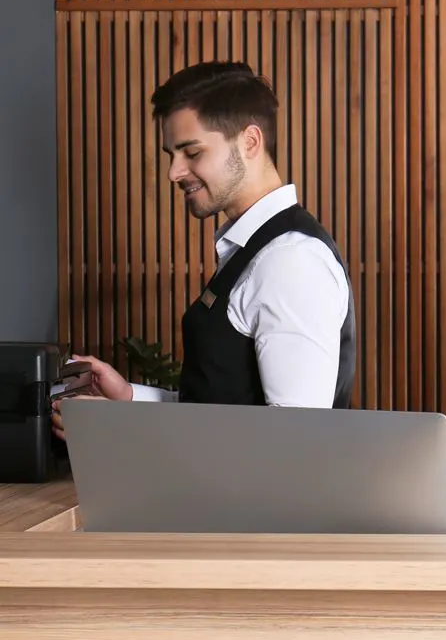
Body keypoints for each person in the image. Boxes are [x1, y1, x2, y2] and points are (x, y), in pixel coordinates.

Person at [53, 60, 355, 436]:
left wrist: (123, 435)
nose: (173, 172)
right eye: (171, 155)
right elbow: (219, 409)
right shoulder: (255, 252)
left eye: (192, 152)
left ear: (249, 142)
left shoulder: (289, 261)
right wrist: (128, 401)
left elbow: (294, 444)